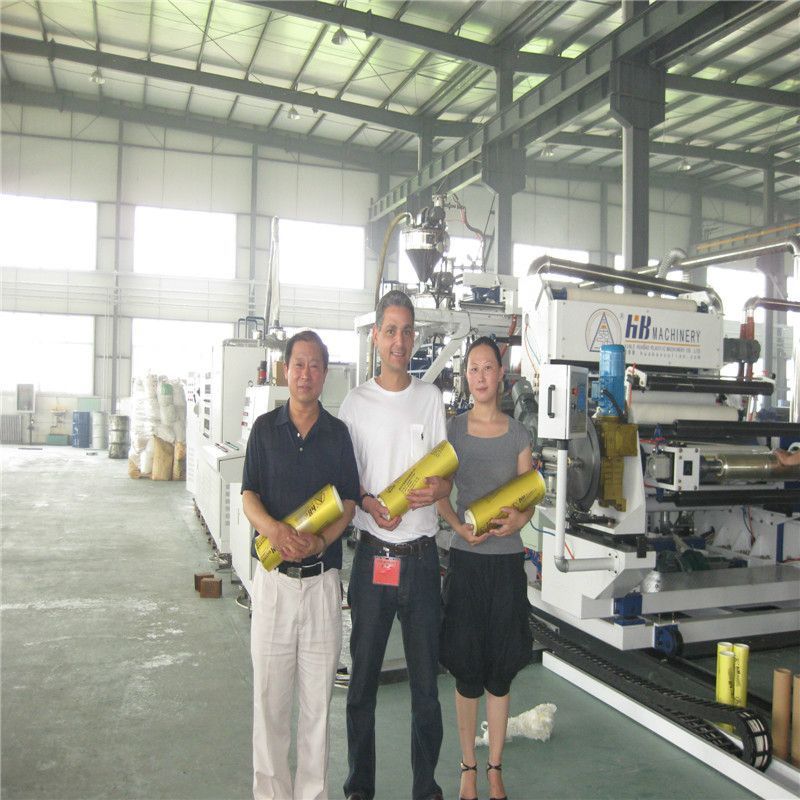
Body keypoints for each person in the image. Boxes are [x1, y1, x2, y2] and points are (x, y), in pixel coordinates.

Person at [339, 289, 451, 800]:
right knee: (362, 687)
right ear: (376, 337)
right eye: (390, 331)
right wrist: (366, 500)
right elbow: (345, 480)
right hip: (372, 558)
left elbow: (445, 474)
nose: (399, 341)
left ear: (415, 337)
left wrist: (441, 487)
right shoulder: (355, 404)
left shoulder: (430, 399)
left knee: (426, 691)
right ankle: (359, 789)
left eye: (407, 331)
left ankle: (425, 789)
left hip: (422, 562)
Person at [242, 330, 360, 800]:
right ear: (285, 370)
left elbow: (348, 503)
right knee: (269, 705)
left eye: (314, 366)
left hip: (321, 586)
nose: (305, 374)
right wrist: (274, 531)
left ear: (325, 374)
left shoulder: (338, 434)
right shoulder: (264, 430)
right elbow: (249, 495)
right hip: (273, 586)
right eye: (298, 364)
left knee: (317, 710)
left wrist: (321, 540)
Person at [436, 337, 535, 800]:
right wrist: (457, 524)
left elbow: (528, 494)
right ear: (466, 377)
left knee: (501, 668)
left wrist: (520, 520)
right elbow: (438, 490)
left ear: (501, 374)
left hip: (507, 563)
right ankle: (468, 767)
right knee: (466, 668)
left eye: (488, 367)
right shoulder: (453, 431)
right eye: (473, 368)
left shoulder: (518, 435)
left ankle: (495, 767)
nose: (480, 376)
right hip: (467, 562)